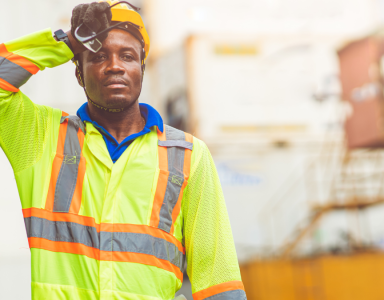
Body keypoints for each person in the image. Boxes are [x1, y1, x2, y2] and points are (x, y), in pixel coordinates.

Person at [0, 1, 247, 300]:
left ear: (141, 70)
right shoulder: (41, 138)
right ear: (79, 74)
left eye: (128, 56)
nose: (115, 65)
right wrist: (68, 42)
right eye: (98, 56)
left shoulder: (189, 155)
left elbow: (218, 281)